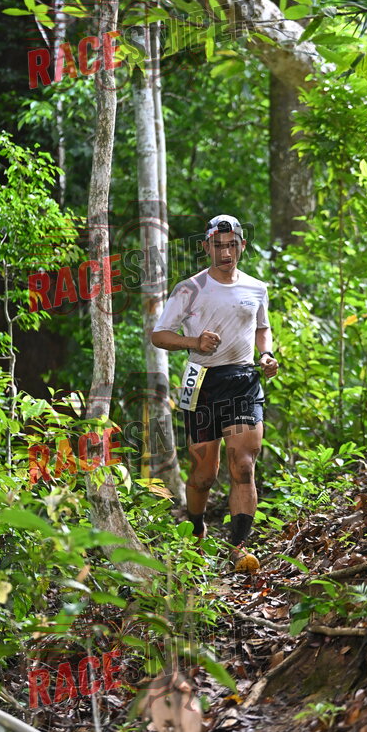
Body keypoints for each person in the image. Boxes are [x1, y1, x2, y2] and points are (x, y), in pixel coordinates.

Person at [151, 215, 279, 571]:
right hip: (202, 383)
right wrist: (194, 341)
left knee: (243, 465)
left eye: (232, 245)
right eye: (218, 246)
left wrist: (266, 355)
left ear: (242, 245)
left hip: (243, 380)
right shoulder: (189, 289)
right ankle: (195, 528)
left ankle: (239, 547)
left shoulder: (256, 288)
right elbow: (159, 335)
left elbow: (262, 328)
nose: (226, 253)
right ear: (206, 246)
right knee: (204, 474)